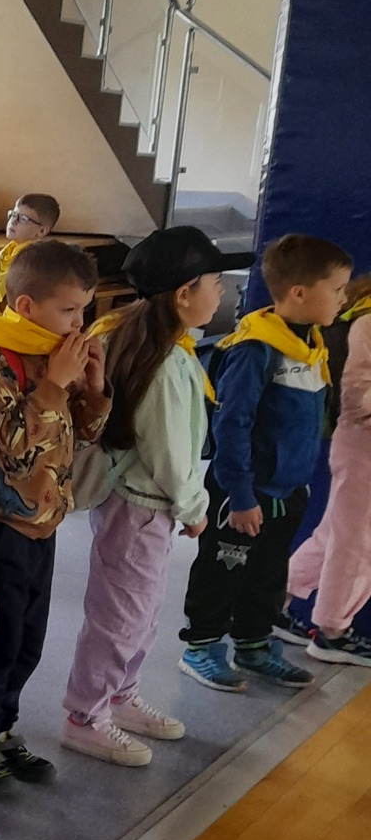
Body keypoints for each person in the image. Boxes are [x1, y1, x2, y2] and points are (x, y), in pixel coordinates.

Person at [61, 226, 226, 763]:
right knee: (119, 618)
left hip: (143, 509)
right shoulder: (165, 364)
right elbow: (170, 453)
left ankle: (120, 696)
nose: (221, 292)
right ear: (183, 294)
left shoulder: (152, 343)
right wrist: (195, 507)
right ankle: (86, 715)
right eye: (215, 283)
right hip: (139, 510)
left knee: (141, 612)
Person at [0, 239, 109, 787]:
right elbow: (16, 445)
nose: (79, 322)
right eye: (68, 309)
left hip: (44, 525)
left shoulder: (54, 358)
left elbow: (81, 436)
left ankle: (2, 729)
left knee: (29, 641)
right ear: (25, 306)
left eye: (83, 309)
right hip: (0, 526)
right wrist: (54, 385)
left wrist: (92, 390)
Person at [181, 234, 351, 692]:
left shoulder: (310, 343)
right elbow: (231, 426)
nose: (343, 298)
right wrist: (240, 496)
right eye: (336, 289)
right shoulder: (255, 349)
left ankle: (254, 645)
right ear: (299, 292)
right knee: (222, 574)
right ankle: (201, 647)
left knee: (268, 576)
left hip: (286, 490)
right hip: (243, 492)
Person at [288, 275, 371, 666]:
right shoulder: (367, 323)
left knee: (334, 535)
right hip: (362, 449)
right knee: (357, 544)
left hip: (359, 448)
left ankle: (273, 600)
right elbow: (358, 396)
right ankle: (332, 631)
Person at [0, 195, 61, 308]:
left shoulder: (34, 259)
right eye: (13, 215)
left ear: (41, 231)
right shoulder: (8, 251)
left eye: (23, 219)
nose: (13, 221)